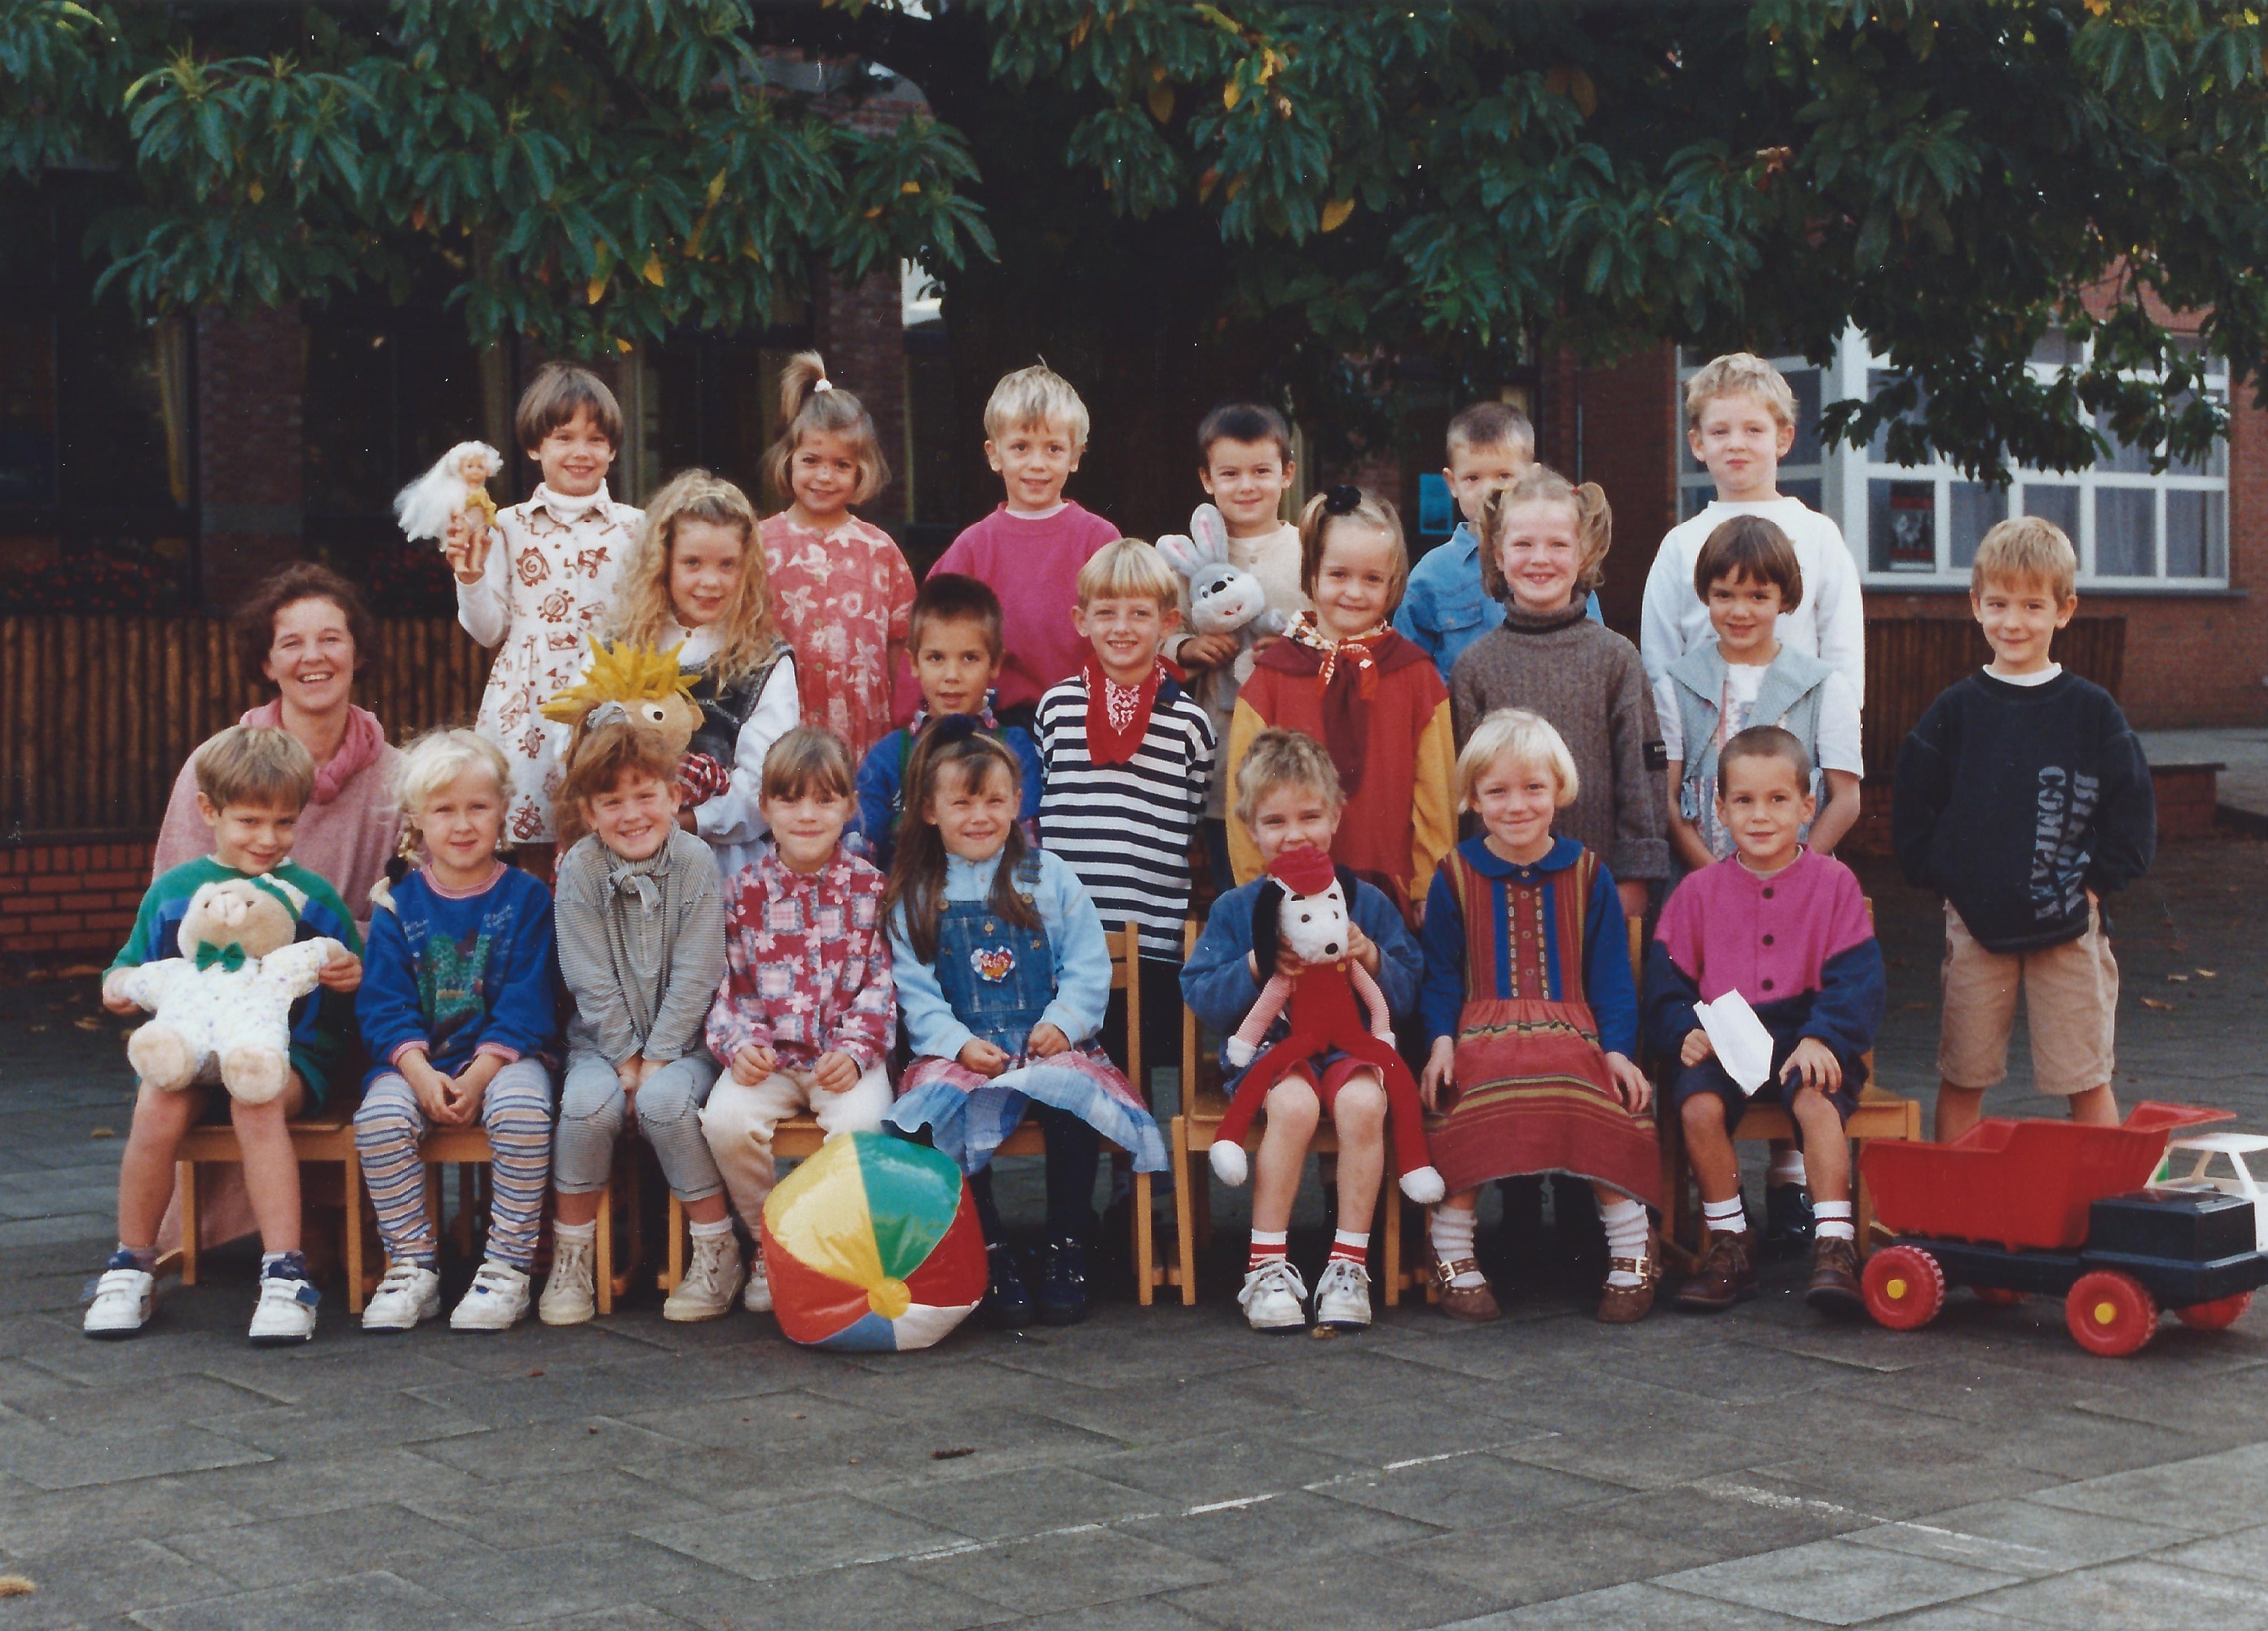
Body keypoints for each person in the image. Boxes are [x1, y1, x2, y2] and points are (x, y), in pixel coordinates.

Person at [85, 725, 364, 1343]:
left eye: (284, 823)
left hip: (282, 1058)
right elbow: (131, 964)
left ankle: (286, 1273)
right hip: (191, 1048)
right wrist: (117, 985)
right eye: (250, 821)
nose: (268, 839)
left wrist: (348, 973)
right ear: (209, 811)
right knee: (155, 1103)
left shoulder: (310, 897)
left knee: (255, 1102)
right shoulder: (174, 894)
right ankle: (131, 1263)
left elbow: (350, 968)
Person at [883, 723, 1167, 1328]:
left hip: (1044, 1042)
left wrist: (1064, 1023)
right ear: (931, 810)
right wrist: (956, 1043)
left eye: (994, 800)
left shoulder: (1049, 876)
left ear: (1017, 802)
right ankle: (989, 1248)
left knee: (1072, 1096)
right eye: (962, 802)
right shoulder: (915, 894)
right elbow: (914, 990)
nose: (979, 815)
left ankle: (1068, 1242)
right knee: (934, 1107)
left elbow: (1088, 964)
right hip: (965, 1048)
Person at [1893, 516, 2155, 1142]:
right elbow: (1912, 806)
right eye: (1998, 604)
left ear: (2064, 611)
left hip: (2067, 926)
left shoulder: (2091, 710)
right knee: (1963, 1074)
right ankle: (1953, 1211)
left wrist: (2093, 886)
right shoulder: (1955, 711)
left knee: (2086, 1077)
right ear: (1975, 606)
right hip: (1977, 928)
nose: (2014, 622)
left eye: (2033, 605)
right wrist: (1944, 879)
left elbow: (2133, 811)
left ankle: (2105, 1211)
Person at [1417, 710, 1659, 1324]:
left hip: (1572, 1032)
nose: (1516, 805)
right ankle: (1452, 1251)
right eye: (1497, 791)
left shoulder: (1587, 873)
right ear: (1473, 798)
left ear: (1559, 790)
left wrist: (1618, 1053)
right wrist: (1441, 1043)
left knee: (1602, 1097)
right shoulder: (1453, 876)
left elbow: (1609, 978)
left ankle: (1632, 1248)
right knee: (1464, 1100)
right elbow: (1441, 973)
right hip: (1479, 1033)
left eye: (1533, 788)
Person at [1184, 729, 1422, 1333]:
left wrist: (1370, 959)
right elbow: (1202, 995)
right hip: (1272, 1053)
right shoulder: (1239, 908)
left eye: (1310, 816)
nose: (1294, 834)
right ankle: (1265, 1266)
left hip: (1350, 1048)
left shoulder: (1364, 900)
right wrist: (1257, 965)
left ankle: (1348, 1265)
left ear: (1336, 817)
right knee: (1290, 1107)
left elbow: (1409, 990)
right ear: (1250, 829)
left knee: (1366, 1103)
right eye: (1275, 821)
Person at [1647, 726, 1885, 1314]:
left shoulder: (1835, 885)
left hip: (1809, 1032)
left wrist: (1824, 1037)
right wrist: (1684, 1030)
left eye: (1778, 800)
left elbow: (1858, 979)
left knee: (1814, 1102)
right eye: (1745, 802)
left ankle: (1834, 1243)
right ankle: (1730, 1241)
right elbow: (1665, 983)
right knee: (1697, 1106)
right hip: (1728, 1037)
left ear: (1808, 807)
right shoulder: (1697, 893)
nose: (1761, 816)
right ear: (1720, 811)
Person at [353, 730, 555, 1333]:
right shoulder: (396, 904)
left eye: (478, 807)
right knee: (381, 1120)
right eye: (444, 810)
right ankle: (413, 1266)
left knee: (523, 1110)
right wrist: (418, 1073)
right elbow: (383, 1006)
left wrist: (480, 1074)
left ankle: (507, 1268)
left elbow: (528, 1001)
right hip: (414, 1059)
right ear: (418, 820)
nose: (462, 824)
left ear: (503, 811)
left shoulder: (528, 898)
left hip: (509, 1057)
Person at [540, 717, 733, 1325]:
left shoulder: (696, 861)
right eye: (611, 801)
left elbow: (700, 968)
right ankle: (571, 1260)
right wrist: (625, 1057)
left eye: (645, 795)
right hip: (603, 1043)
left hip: (688, 1043)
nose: (631, 814)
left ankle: (717, 1248)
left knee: (665, 1107)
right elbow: (587, 974)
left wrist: (657, 1060)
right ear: (588, 810)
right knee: (587, 1108)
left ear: (674, 797)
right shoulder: (580, 869)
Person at [701, 729, 895, 1313]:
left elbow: (882, 984)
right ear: (765, 808)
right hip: (770, 1058)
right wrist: (740, 1045)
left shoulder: (871, 891)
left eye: (824, 800)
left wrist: (858, 1049)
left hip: (842, 1057)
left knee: (864, 1125)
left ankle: (825, 1246)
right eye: (789, 800)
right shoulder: (740, 894)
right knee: (726, 1121)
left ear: (849, 806)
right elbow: (724, 988)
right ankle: (771, 1241)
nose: (807, 815)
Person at [1224, 486, 1454, 923]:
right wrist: (1256, 889)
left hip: (1391, 896)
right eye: (1338, 575)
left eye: (1372, 579)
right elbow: (1244, 797)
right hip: (1289, 899)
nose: (1354, 592)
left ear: (1393, 584)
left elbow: (1436, 795)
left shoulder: (1416, 677)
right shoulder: (1270, 679)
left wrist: (1428, 886)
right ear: (1311, 573)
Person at [1449, 465, 1666, 923]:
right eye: (1523, 544)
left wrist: (1633, 882)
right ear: (1498, 553)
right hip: (1498, 893)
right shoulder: (1474, 668)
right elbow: (1464, 798)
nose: (1539, 559)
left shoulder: (1615, 658)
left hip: (1598, 891)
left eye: (1558, 545)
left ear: (1584, 555)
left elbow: (1640, 780)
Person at [446, 362, 642, 865]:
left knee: (609, 839)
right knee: (524, 853)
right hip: (525, 708)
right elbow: (488, 629)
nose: (581, 452)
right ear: (535, 446)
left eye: (596, 439)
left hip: (609, 707)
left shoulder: (639, 528)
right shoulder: (505, 525)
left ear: (613, 449)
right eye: (564, 437)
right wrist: (468, 577)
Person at [1036, 539, 1215, 1086]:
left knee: (1141, 1065)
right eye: (1106, 612)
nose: (1122, 627)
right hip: (1068, 934)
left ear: (1168, 623)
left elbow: (1193, 812)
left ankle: (1142, 1171)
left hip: (1151, 934)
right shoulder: (1057, 707)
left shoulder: (1189, 723)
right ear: (1080, 620)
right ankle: (1091, 1170)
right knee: (1076, 1066)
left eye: (1139, 614)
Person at [153, 565, 403, 938]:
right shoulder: (212, 765)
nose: (313, 656)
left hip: (360, 982)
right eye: (292, 643)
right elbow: (172, 908)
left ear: (359, 653)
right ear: (268, 663)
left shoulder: (405, 778)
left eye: (331, 639)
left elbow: (422, 921)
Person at [607, 467, 799, 882]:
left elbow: (764, 784)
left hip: (721, 868)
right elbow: (576, 751)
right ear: (663, 563)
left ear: (745, 569)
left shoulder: (766, 662)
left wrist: (683, 819)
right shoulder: (617, 647)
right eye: (692, 563)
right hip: (619, 854)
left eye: (727, 565)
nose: (710, 582)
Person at [1639, 351, 1864, 703]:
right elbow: (1659, 666)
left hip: (1796, 740)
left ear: (1784, 439)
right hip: (1705, 738)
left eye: (1754, 430)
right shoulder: (1679, 545)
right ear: (1697, 443)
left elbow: (1844, 660)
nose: (1736, 444)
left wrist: (1838, 744)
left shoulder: (1819, 536)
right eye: (1720, 431)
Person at [918, 365, 1121, 730]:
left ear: (1075, 455)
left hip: (1086, 716)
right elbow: (927, 628)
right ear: (994, 454)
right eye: (1021, 447)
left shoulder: (1099, 540)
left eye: (1054, 448)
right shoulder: (973, 546)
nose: (1037, 464)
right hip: (995, 724)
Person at [1658, 513, 1863, 871]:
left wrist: (1792, 876)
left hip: (1800, 890)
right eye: (1724, 595)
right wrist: (1716, 881)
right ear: (1705, 594)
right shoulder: (1676, 687)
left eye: (1757, 596)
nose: (1740, 611)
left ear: (1783, 598)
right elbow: (1667, 800)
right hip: (1704, 890)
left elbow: (1846, 799)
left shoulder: (1824, 686)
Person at [1168, 401, 1310, 888]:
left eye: (1261, 471)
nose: (1246, 486)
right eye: (1230, 474)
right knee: (1234, 891)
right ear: (1207, 479)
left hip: (1297, 753)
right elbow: (1161, 635)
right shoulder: (1189, 565)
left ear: (1287, 474)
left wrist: (1299, 646)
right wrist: (1188, 649)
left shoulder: (1309, 552)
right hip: (1222, 760)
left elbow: (1335, 631)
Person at [756, 352, 916, 763]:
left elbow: (901, 649)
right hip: (781, 725)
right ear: (788, 459)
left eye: (840, 465)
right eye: (811, 461)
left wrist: (904, 732)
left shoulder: (881, 551)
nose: (824, 476)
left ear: (861, 470)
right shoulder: (757, 545)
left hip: (864, 732)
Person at [1397, 400, 1603, 683]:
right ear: (1452, 482)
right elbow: (1406, 676)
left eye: (1504, 476)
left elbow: (1596, 654)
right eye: (1472, 478)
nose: (1489, 490)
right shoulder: (1431, 577)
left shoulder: (1558, 565)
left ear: (1532, 477)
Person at [854, 573, 1042, 872]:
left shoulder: (1014, 747)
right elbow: (860, 851)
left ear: (995, 664)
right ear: (914, 664)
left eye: (969, 658)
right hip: (909, 913)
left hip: (997, 907)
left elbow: (1027, 847)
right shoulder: (890, 756)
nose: (951, 675)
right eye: (936, 658)